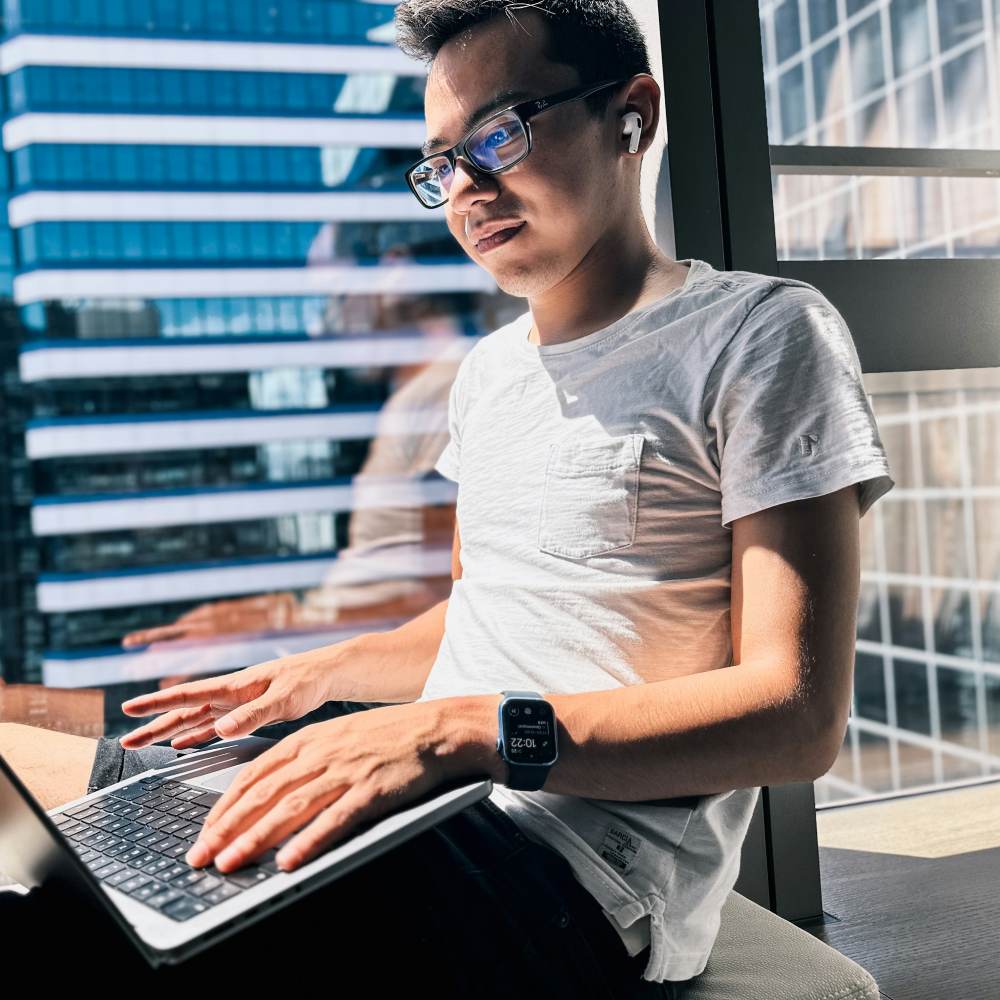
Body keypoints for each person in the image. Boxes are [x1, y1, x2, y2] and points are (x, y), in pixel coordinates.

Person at [1, 0, 896, 995]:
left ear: (630, 113)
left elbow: (796, 716)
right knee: (39, 820)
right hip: (428, 817)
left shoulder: (760, 336)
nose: (467, 188)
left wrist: (452, 730)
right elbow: (486, 612)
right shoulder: (487, 374)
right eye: (442, 163)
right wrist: (316, 670)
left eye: (500, 134)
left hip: (567, 874)